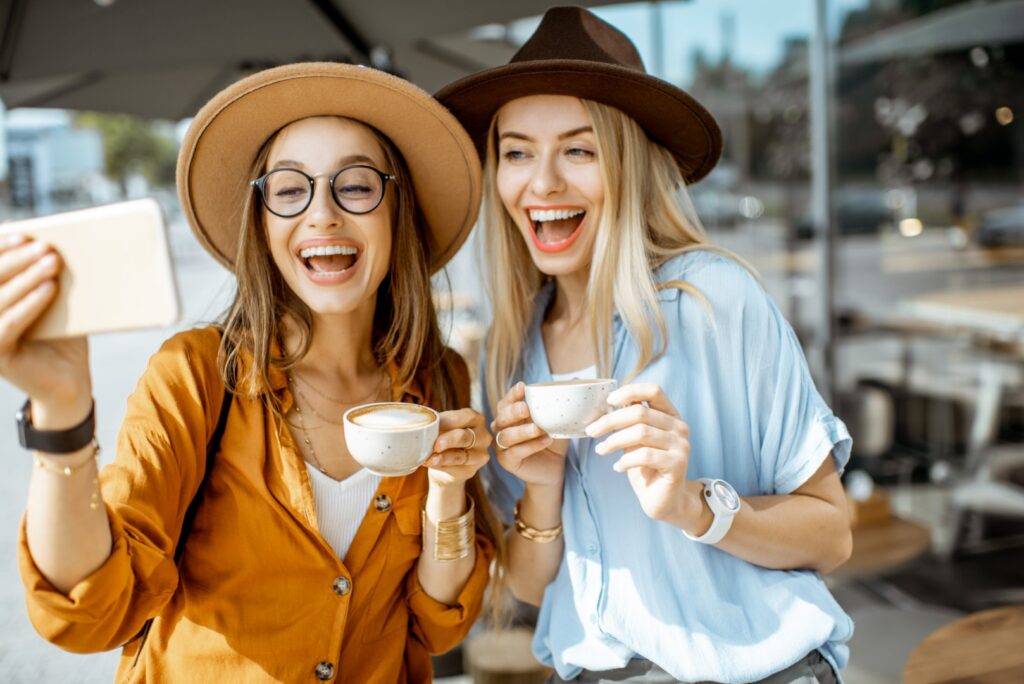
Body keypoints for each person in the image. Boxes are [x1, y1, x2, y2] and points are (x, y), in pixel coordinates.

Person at [4, 63, 502, 682]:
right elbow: (88, 612)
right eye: (291, 190)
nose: (322, 214)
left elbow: (440, 623)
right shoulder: (193, 375)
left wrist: (449, 491)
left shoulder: (441, 376)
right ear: (262, 224)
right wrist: (60, 413)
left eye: (355, 185)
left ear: (396, 211)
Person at [438, 7, 853, 684]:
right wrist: (541, 492)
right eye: (516, 152)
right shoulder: (513, 352)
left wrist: (694, 506)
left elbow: (832, 536)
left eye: (579, 149)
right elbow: (535, 589)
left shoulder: (713, 300)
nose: (541, 184)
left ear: (628, 165)